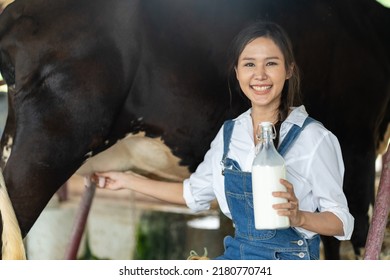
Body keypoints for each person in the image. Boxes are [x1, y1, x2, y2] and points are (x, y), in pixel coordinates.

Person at [95, 21, 354, 260]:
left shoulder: (313, 138)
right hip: (237, 257)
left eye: (271, 63)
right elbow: (193, 194)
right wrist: (126, 180)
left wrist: (299, 217)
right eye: (249, 64)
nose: (260, 75)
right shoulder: (231, 134)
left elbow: (341, 221)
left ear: (289, 70)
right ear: (237, 72)